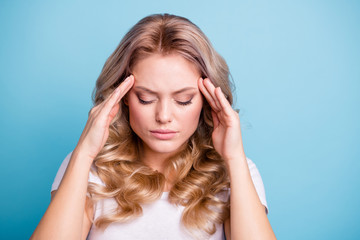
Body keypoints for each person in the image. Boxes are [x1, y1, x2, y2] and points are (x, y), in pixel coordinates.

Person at [31, 13, 276, 240]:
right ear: (123, 96)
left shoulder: (236, 173)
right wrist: (84, 154)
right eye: (146, 98)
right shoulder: (88, 169)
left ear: (208, 99)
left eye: (183, 100)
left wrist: (234, 158)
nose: (164, 116)